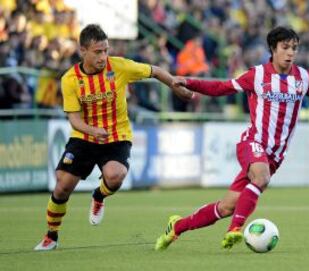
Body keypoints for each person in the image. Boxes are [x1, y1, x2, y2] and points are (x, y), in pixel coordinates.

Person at [155, 26, 309, 251]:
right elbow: (221, 87)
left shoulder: (303, 77)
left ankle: (177, 226)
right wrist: (189, 82)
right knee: (261, 178)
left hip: (275, 155)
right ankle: (235, 229)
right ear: (273, 49)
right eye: (285, 47)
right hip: (252, 142)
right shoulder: (257, 75)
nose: (290, 52)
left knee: (225, 207)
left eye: (294, 48)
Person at [34, 24, 192, 251]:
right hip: (84, 137)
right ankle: (51, 236)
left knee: (116, 176)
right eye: (97, 52)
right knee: (62, 187)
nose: (103, 56)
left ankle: (98, 196)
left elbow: (154, 70)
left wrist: (175, 85)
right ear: (83, 51)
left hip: (116, 135)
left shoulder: (119, 67)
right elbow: (74, 120)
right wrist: (92, 130)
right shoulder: (70, 79)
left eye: (105, 50)